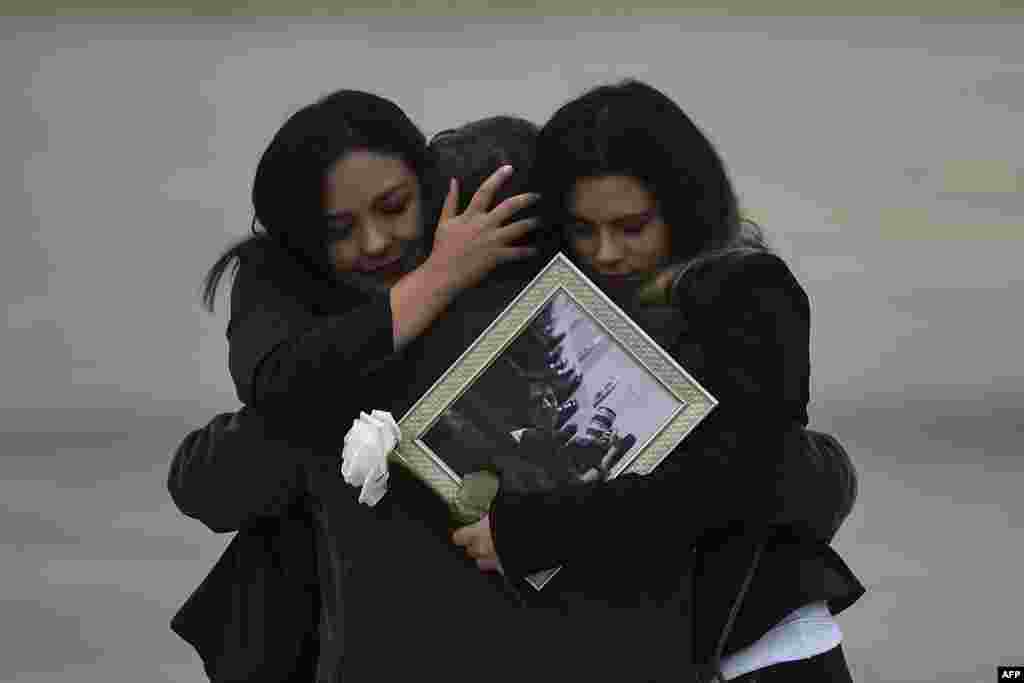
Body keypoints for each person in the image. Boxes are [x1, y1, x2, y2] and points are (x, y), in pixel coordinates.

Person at [451, 80, 864, 681]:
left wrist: (534, 529)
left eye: (632, 227)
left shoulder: (745, 290)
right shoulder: (559, 307)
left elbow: (734, 479)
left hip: (752, 644)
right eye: (584, 230)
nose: (608, 251)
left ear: (686, 206)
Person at [170, 95, 545, 683]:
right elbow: (211, 473)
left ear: (431, 190)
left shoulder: (509, 266)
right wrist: (434, 283)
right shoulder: (290, 301)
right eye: (339, 230)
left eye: (394, 207)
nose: (375, 244)